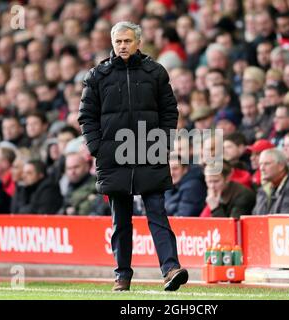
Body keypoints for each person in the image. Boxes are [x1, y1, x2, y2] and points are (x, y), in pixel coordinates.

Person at [78, 21, 188, 292]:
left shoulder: (155, 72)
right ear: (112, 43)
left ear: (138, 42)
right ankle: (122, 275)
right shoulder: (97, 76)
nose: (123, 46)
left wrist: (161, 145)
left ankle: (171, 269)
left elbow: (169, 111)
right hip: (113, 156)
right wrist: (97, 148)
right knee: (121, 221)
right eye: (118, 42)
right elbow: (86, 116)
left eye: (128, 41)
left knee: (157, 214)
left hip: (150, 152)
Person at [253, 148, 289, 215]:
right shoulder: (264, 189)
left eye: (267, 164)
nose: (262, 168)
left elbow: (285, 219)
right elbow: (255, 216)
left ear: (281, 166)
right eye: (260, 164)